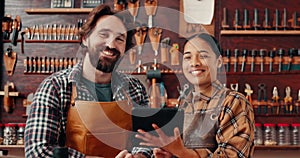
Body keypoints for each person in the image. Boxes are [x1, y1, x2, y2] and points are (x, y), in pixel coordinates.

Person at [24, 4, 149, 158]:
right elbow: (38, 151)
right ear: (85, 38)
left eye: (119, 39)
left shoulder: (135, 89)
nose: (111, 45)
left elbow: (145, 140)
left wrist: (139, 156)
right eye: (103, 34)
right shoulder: (56, 87)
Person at [116, 33, 255, 158]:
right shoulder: (185, 101)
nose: (194, 62)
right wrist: (169, 155)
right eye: (188, 57)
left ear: (218, 62)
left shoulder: (233, 102)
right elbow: (180, 150)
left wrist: (182, 153)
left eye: (203, 56)